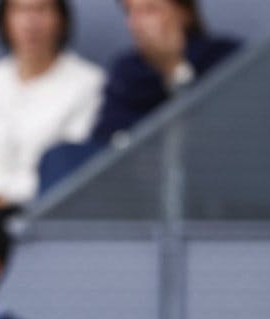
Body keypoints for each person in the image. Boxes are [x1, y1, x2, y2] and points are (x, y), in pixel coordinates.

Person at [37, 0, 240, 194]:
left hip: (199, 179)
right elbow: (107, 136)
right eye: (130, 11)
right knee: (61, 157)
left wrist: (173, 67)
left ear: (184, 12)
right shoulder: (127, 69)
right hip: (130, 181)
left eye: (150, 9)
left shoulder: (223, 57)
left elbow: (215, 130)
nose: (136, 22)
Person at [0, 0, 103, 212]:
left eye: (41, 10)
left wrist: (5, 198)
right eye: (20, 10)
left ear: (61, 20)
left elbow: (69, 166)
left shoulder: (89, 83)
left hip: (42, 214)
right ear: (4, 21)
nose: (31, 22)